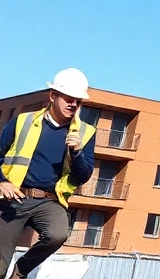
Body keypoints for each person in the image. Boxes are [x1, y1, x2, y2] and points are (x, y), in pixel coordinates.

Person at [0, 69, 97, 279]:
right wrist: (2, 182)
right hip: (12, 198)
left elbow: (84, 175)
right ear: (53, 96)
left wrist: (76, 152)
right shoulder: (22, 122)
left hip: (50, 201)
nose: (73, 104)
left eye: (78, 101)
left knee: (57, 234)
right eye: (68, 99)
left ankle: (22, 269)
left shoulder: (85, 133)